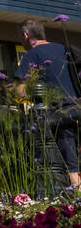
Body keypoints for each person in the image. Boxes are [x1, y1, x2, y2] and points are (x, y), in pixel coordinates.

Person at [15, 18, 81, 189]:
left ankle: (77, 200)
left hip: (59, 114)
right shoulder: (64, 49)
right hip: (77, 108)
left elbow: (20, 90)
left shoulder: (32, 54)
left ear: (25, 35)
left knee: (70, 166)